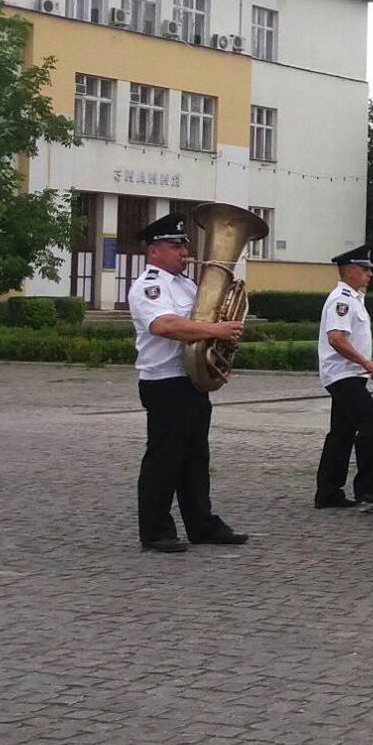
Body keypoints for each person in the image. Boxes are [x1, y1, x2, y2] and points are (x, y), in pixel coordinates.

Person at [128, 211, 248, 553]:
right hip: (164, 383)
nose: (184, 252)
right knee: (164, 458)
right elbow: (164, 326)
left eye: (184, 245)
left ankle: (202, 524)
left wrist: (221, 334)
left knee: (195, 459)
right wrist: (216, 330)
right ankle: (155, 531)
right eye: (175, 246)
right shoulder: (150, 286)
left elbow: (204, 326)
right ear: (154, 250)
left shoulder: (186, 284)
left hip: (191, 381)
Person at [314, 244, 373, 508]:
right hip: (343, 376)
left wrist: (370, 362)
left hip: (350, 374)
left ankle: (328, 492)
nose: (370, 274)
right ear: (349, 271)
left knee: (342, 433)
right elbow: (336, 339)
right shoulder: (342, 300)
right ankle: (366, 488)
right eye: (364, 269)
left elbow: (349, 341)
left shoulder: (353, 298)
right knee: (371, 426)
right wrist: (365, 362)